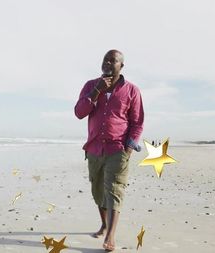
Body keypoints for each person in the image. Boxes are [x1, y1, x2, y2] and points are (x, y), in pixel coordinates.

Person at [74, 49, 144, 251]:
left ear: (121, 66)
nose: (107, 63)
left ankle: (111, 237)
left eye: (112, 61)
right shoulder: (90, 85)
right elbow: (79, 113)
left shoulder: (132, 90)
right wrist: (96, 91)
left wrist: (129, 147)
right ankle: (104, 224)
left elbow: (137, 122)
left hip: (118, 148)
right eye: (105, 59)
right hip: (94, 148)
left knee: (114, 190)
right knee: (98, 191)